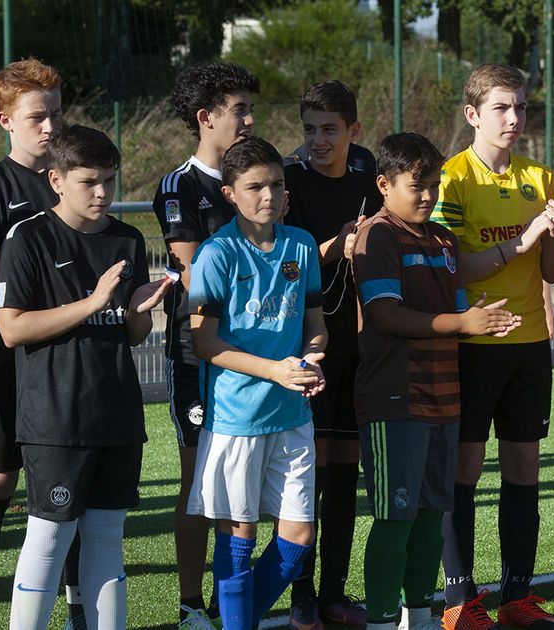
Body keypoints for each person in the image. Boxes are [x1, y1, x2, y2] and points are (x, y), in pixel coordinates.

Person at [0, 124, 172, 630]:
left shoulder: (129, 239)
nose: (102, 193)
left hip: (116, 415)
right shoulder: (27, 236)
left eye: (110, 181)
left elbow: (133, 335)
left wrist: (140, 312)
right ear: (56, 179)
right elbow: (12, 330)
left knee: (105, 538)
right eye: (89, 181)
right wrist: (92, 302)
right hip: (55, 419)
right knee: (49, 537)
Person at [354, 131, 522, 630]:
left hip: (444, 400)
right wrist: (464, 323)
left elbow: (454, 312)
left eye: (433, 184)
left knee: (430, 521)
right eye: (416, 185)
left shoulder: (444, 239)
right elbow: (386, 315)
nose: (427, 194)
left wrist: (481, 319)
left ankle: (421, 617)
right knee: (396, 520)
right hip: (395, 399)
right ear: (384, 184)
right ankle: (384, 621)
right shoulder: (378, 234)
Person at [430, 63, 554, 630]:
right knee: (465, 469)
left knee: (524, 468)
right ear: (472, 115)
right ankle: (461, 599)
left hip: (530, 343)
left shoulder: (540, 176)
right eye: (501, 108)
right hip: (473, 343)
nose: (514, 119)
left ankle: (519, 596)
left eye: (520, 107)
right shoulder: (452, 179)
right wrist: (523, 240)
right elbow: (452, 268)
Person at [187, 136, 326, 629]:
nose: (269, 196)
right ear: (230, 194)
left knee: (297, 542)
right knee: (239, 537)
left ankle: (234, 622)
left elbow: (315, 326)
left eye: (277, 184)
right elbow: (203, 343)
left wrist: (312, 360)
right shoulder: (216, 253)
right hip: (237, 418)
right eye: (255, 187)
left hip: (293, 415)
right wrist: (273, 370)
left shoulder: (302, 245)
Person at [151, 60, 260, 628]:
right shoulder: (179, 185)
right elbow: (194, 271)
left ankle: (233, 600)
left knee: (248, 478)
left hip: (260, 353)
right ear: (205, 117)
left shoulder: (264, 175)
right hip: (200, 353)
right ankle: (191, 603)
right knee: (200, 475)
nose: (249, 118)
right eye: (239, 109)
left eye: (248, 108)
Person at [282, 79, 381, 629]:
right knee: (307, 478)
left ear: (353, 132)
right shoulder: (288, 184)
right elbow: (285, 271)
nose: (317, 141)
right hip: (304, 352)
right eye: (309, 129)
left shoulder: (371, 187)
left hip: (357, 352)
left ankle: (334, 594)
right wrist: (332, 246)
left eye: (329, 130)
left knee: (345, 475)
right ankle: (301, 597)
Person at [0, 58, 69, 629]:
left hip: (74, 363)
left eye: (56, 113)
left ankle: (78, 606)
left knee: (70, 480)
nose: (51, 128)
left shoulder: (74, 173)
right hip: (11, 356)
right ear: (7, 120)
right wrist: (43, 307)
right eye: (38, 117)